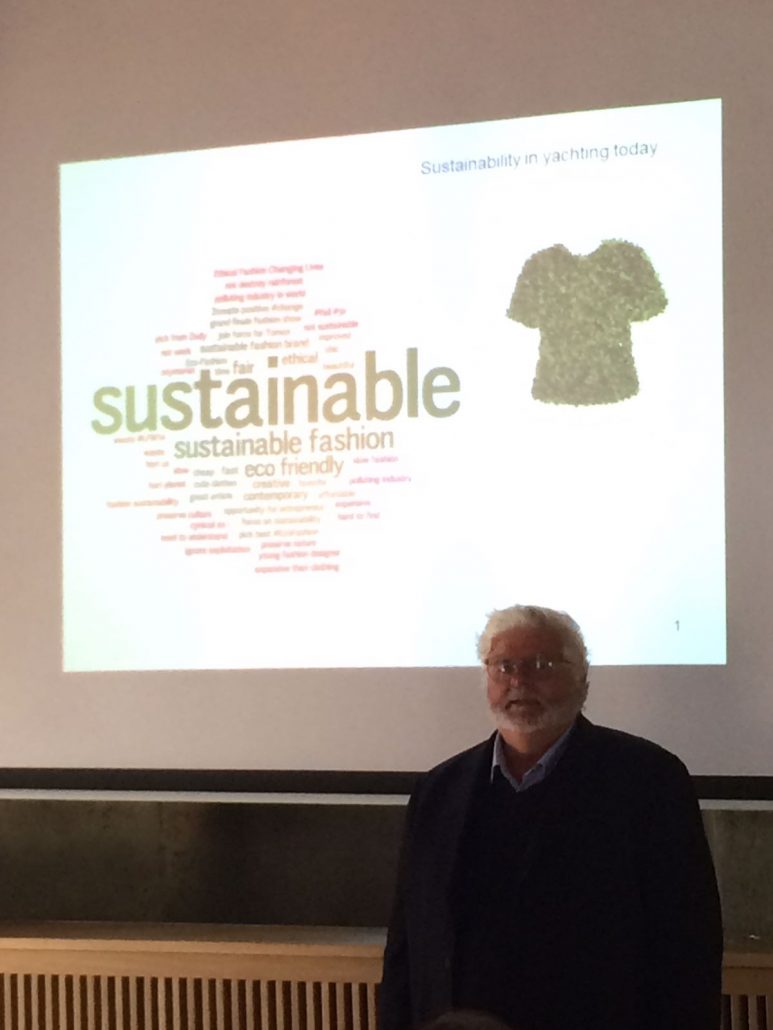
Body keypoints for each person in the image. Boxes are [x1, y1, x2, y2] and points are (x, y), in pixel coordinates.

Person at [379, 605, 722, 1030]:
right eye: (504, 666)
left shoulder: (649, 781)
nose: (519, 680)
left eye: (541, 664)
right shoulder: (439, 790)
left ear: (582, 679)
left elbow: (688, 941)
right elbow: (405, 946)